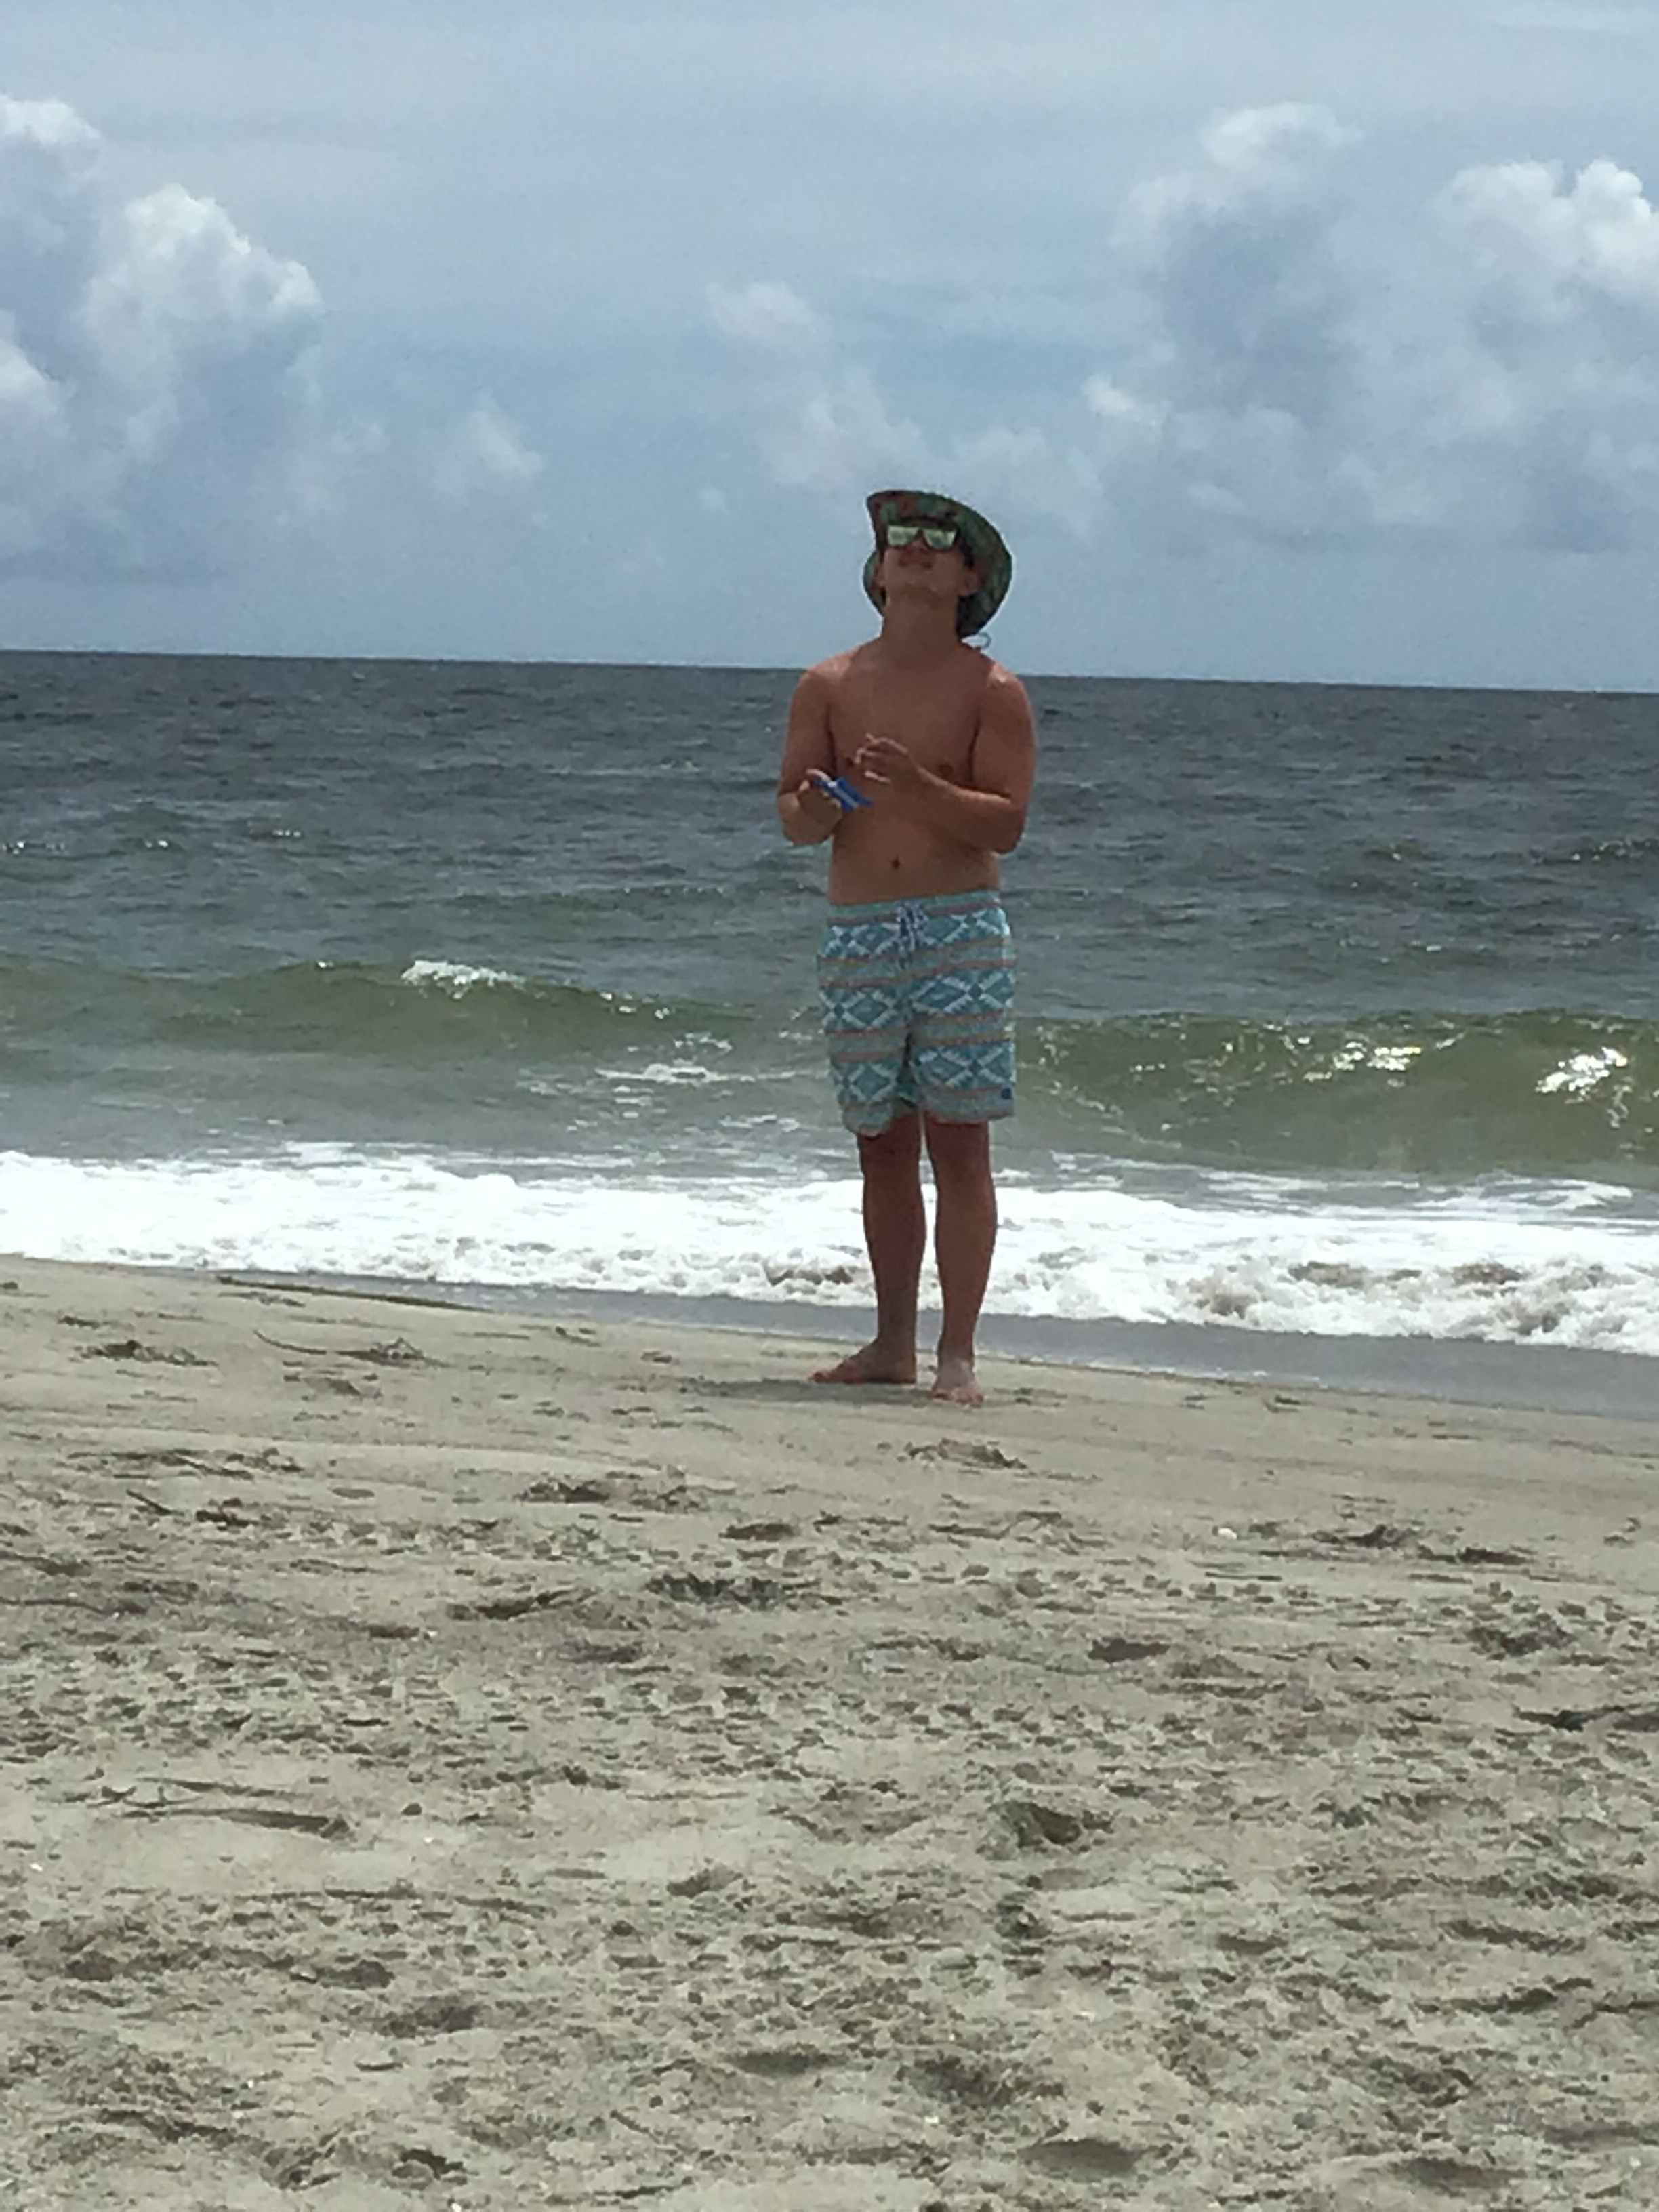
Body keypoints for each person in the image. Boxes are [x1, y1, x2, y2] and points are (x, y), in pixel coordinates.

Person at [775, 488, 1037, 1407]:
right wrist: (816, 805)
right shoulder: (831, 683)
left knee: (960, 1141)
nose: (914, 551)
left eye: (936, 541)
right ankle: (891, 1342)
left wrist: (920, 788)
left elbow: (1005, 824)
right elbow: (795, 819)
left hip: (958, 924)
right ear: (879, 569)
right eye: (899, 540)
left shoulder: (991, 691)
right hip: (860, 928)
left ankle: (956, 1352)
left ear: (969, 576)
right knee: (880, 1140)